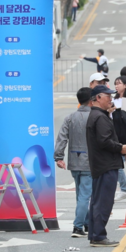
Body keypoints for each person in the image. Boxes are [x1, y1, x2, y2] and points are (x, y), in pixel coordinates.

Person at [87, 85, 126, 247]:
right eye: (108, 96)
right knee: (104, 202)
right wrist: (120, 148)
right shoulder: (100, 117)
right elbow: (104, 141)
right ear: (98, 98)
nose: (111, 99)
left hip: (101, 164)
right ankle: (98, 236)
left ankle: (95, 234)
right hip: (106, 164)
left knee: (97, 201)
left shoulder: (98, 115)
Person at [55, 87, 93, 238]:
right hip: (89, 162)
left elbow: (61, 138)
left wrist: (59, 157)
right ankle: (78, 227)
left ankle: (87, 223)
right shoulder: (95, 117)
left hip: (74, 160)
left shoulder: (70, 117)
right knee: (85, 195)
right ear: (92, 100)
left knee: (81, 194)